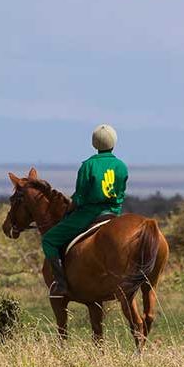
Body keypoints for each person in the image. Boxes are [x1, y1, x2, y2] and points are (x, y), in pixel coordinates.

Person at [42, 124, 128, 297]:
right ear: (114, 143)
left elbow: (80, 197)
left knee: (49, 239)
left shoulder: (88, 165)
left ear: (94, 144)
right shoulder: (121, 166)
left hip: (90, 214)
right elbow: (121, 192)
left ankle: (60, 284)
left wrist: (69, 210)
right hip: (114, 213)